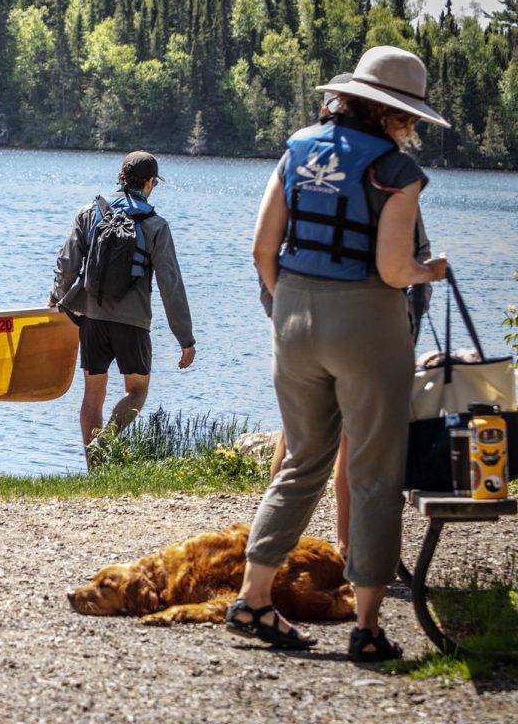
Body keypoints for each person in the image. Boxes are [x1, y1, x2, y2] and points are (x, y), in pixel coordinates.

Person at [229, 46, 450, 662]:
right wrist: (430, 270)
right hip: (368, 321)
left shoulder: (297, 149)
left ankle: (253, 599)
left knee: (302, 462)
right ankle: (368, 627)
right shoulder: (398, 171)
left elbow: (261, 248)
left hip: (294, 315)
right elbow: (393, 268)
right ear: (395, 114)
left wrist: (290, 302)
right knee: (375, 473)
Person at [50, 150, 197, 468]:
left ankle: (95, 471)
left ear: (121, 177)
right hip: (133, 324)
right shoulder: (156, 225)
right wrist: (185, 338)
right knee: (137, 391)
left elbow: (67, 265)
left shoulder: (90, 214)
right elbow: (170, 286)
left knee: (93, 395)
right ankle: (105, 441)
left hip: (92, 319)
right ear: (150, 182)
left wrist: (55, 300)